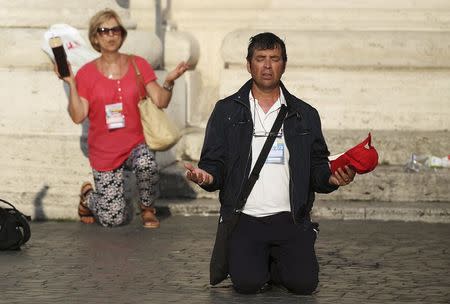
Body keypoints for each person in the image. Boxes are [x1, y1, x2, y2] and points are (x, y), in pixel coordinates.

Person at [185, 32, 355, 294]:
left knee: (303, 285)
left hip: (290, 218)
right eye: (260, 59)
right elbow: (213, 163)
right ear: (249, 64)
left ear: (284, 64)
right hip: (246, 218)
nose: (267, 66)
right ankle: (256, 258)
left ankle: (292, 247)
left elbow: (318, 167)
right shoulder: (226, 111)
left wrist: (332, 178)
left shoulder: (305, 114)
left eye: (274, 59)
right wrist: (206, 177)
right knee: (247, 283)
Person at [54, 9, 188, 228]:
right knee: (113, 219)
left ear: (122, 35)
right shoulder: (86, 74)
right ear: (95, 37)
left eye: (115, 29)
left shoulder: (138, 64)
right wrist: (70, 83)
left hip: (136, 144)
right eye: (104, 30)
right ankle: (88, 197)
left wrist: (170, 81)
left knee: (146, 162)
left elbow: (161, 101)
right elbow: (78, 116)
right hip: (104, 152)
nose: (110, 35)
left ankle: (147, 209)